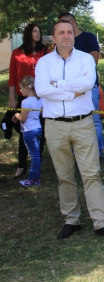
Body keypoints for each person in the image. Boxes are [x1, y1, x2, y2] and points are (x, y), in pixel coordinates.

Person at [35, 20, 104, 241]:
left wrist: (57, 85)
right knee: (64, 176)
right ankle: (71, 220)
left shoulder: (85, 59)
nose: (66, 36)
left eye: (69, 32)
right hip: (55, 125)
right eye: (61, 33)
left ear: (74, 35)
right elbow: (41, 89)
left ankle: (101, 223)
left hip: (82, 123)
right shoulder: (44, 63)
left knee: (91, 174)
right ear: (53, 38)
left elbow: (87, 83)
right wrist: (71, 91)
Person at [58, 13, 104, 160]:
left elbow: (93, 61)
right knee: (73, 120)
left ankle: (98, 152)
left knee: (94, 120)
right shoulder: (63, 43)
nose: (64, 32)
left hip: (90, 87)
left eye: (64, 24)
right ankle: (78, 154)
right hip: (69, 88)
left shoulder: (89, 37)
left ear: (72, 22)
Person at [8, 23, 47, 179]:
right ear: (28, 33)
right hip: (23, 96)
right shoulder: (17, 53)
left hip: (40, 97)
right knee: (25, 130)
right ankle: (22, 165)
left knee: (40, 130)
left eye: (39, 31)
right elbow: (12, 77)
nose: (38, 34)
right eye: (35, 31)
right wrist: (11, 98)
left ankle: (37, 163)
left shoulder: (45, 52)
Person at [12, 76, 43, 187]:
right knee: (36, 155)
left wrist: (16, 114)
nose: (20, 91)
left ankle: (34, 179)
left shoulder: (25, 102)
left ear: (27, 88)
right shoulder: (40, 99)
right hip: (38, 129)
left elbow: (23, 119)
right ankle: (36, 176)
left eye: (20, 88)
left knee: (34, 156)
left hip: (29, 131)